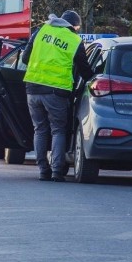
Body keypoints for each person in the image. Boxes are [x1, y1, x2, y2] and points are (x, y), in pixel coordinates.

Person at [22, 10, 94, 182]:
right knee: (58, 130)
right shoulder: (75, 40)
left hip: (32, 88)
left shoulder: (41, 31)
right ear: (73, 27)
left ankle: (42, 170)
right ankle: (56, 171)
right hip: (56, 91)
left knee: (39, 129)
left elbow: (25, 58)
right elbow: (84, 69)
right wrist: (94, 79)